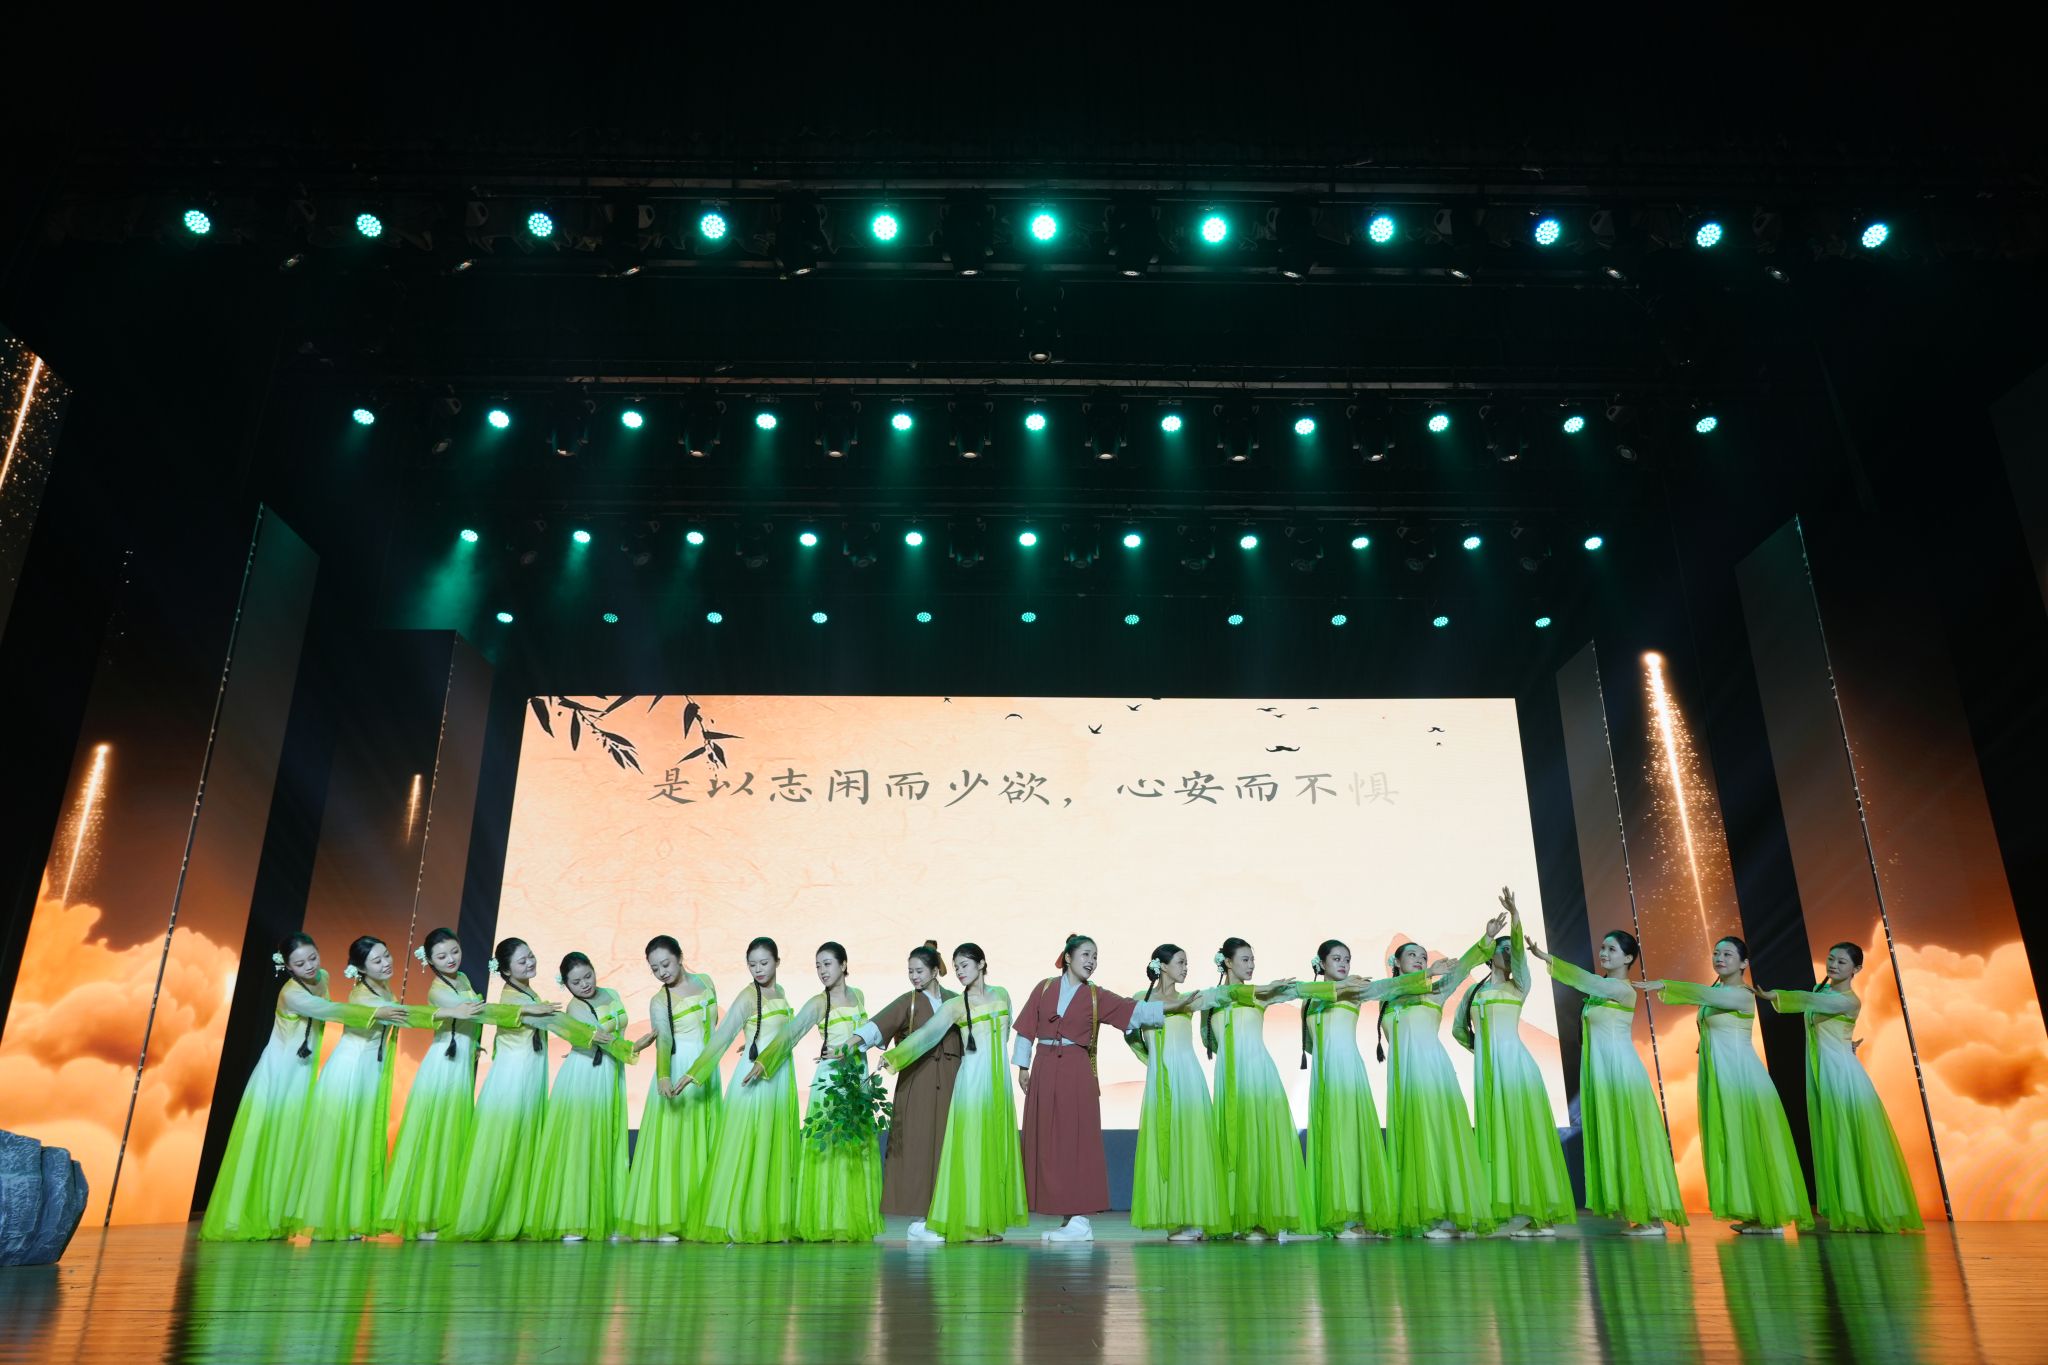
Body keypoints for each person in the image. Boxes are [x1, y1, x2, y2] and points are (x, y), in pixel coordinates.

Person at [199, 934, 398, 1241]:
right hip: (281, 1073)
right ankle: (251, 1216)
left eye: (313, 958)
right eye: (300, 963)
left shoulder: (322, 977)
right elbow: (328, 1010)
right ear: (288, 967)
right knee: (269, 1142)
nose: (309, 967)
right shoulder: (291, 994)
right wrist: (374, 1013)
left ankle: (280, 1217)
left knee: (294, 1144)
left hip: (305, 1072)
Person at [1639, 935, 1813, 1234]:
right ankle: (1757, 1213)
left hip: (1741, 1079)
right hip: (1720, 1076)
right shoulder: (1718, 991)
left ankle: (1772, 1217)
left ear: (1744, 963)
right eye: (1717, 953)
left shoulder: (1742, 994)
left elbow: (1703, 996)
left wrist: (1665, 985)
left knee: (1751, 1141)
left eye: (1728, 954)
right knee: (1735, 1143)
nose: (1719, 958)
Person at [286, 935, 450, 1240]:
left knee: (358, 1146)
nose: (386, 963)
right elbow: (407, 1017)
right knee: (340, 1145)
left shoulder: (383, 988)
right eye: (377, 961)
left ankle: (348, 1219)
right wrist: (448, 1013)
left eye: (386, 955)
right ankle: (325, 1223)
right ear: (360, 968)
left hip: (368, 1073)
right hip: (349, 1073)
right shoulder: (363, 996)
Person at [1527, 929, 1687, 1236]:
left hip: (1620, 1073)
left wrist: (1547, 958)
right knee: (1619, 1138)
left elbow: (1588, 981)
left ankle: (1653, 1217)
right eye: (1603, 947)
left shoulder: (1621, 990)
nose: (1604, 953)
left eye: (1612, 949)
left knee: (1634, 1138)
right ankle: (1639, 1212)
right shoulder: (1600, 992)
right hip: (1602, 1074)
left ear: (1628, 958)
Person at [1012, 933, 1168, 1241]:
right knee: (1048, 1141)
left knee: (1077, 1140)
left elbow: (1132, 1010)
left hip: (1076, 1071)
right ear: (1068, 957)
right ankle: (1067, 1215)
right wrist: (1023, 1066)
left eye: (1095, 957)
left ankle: (1080, 1217)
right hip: (1044, 1068)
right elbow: (1026, 1029)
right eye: (1086, 955)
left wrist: (1175, 1006)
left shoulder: (1096, 995)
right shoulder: (1044, 988)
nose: (1092, 961)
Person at [1761, 942, 1924, 1233]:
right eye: (1831, 959)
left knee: (1851, 1139)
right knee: (1836, 1140)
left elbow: (1808, 1002)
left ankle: (1870, 1210)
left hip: (1842, 1077)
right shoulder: (1821, 991)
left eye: (1842, 962)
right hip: (1824, 1073)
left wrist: (1775, 996)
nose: (1833, 965)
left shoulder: (1849, 1001)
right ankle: (1850, 1209)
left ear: (1856, 969)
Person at [1450, 890, 1576, 1236]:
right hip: (1488, 1072)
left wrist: (1516, 917)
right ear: (1490, 957)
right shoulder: (1473, 992)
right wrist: (1482, 1054)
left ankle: (1539, 1212)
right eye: (1502, 950)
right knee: (1496, 1135)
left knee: (1523, 1132)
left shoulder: (1519, 986)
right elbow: (1459, 1030)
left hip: (1517, 1068)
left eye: (1511, 950)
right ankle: (1506, 1207)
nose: (1508, 954)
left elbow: (1521, 957)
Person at [881, 943, 1026, 1243]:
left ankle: (989, 1221)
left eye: (964, 965)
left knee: (994, 1149)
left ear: (981, 964)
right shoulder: (956, 1006)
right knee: (972, 1151)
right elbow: (926, 1035)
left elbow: (1005, 1033)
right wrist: (895, 1057)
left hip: (999, 1084)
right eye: (956, 967)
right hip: (972, 1084)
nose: (959, 971)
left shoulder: (1002, 995)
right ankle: (970, 1223)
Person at [1295, 938, 1429, 1239]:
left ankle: (1359, 1215)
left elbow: (1388, 987)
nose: (1343, 964)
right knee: (1330, 1140)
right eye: (1337, 959)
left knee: (1352, 1139)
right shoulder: (1309, 999)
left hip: (1347, 1072)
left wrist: (1427, 973)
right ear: (1322, 963)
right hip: (1323, 1076)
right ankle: (1337, 1215)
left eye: (1347, 959)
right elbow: (1310, 1043)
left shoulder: (1355, 988)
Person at [1379, 917, 1502, 1238]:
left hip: (1431, 1074)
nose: (1421, 960)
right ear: (1396, 963)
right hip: (1402, 1080)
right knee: (1412, 1141)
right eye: (1412, 956)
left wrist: (1485, 940)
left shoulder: (1435, 992)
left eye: (1424, 957)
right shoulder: (1387, 996)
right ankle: (1422, 1213)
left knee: (1437, 1137)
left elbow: (1462, 968)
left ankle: (1449, 1213)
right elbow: (1390, 987)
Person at [757, 942, 883, 1242]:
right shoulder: (818, 1003)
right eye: (818, 966)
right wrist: (763, 1057)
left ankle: (850, 1219)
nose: (822, 971)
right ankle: (826, 1221)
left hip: (857, 1079)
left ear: (843, 964)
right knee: (828, 1147)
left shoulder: (858, 995)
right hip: (831, 1081)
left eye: (827, 964)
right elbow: (791, 1033)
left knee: (855, 1147)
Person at [679, 937, 801, 1243]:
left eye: (764, 963)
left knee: (772, 1146)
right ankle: (734, 1220)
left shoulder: (781, 993)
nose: (758, 969)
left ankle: (768, 1220)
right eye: (752, 964)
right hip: (753, 1080)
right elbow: (722, 1036)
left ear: (777, 962)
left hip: (779, 1076)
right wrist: (695, 1071)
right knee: (746, 1146)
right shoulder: (747, 996)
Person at [445, 937, 563, 1240]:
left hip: (529, 1073)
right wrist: (532, 1011)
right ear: (507, 970)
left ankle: (517, 1213)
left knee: (522, 1140)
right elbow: (500, 1012)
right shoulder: (511, 997)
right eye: (522, 961)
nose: (530, 962)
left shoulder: (527, 991)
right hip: (513, 1076)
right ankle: (487, 1215)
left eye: (531, 956)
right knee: (504, 1140)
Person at [378, 927, 489, 1240]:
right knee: (436, 1137)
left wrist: (473, 1043)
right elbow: (472, 1012)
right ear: (430, 961)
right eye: (441, 956)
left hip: (460, 1064)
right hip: (443, 1066)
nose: (451, 959)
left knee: (452, 1137)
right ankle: (424, 1217)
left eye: (454, 951)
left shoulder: (462, 979)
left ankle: (441, 1213)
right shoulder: (438, 990)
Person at [1198, 937, 1308, 1239]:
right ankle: (1233, 1216)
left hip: (1259, 1076)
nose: (1251, 965)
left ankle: (1260, 1218)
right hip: (1230, 1078)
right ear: (1227, 962)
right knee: (1233, 1142)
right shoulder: (1213, 999)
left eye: (1252, 959)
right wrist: (1231, 1058)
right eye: (1245, 959)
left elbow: (1299, 990)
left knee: (1259, 1141)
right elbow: (1208, 1038)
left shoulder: (1261, 995)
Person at [851, 941, 961, 1237]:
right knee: (917, 1146)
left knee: (948, 1145)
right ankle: (919, 1220)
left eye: (919, 971)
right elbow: (877, 1026)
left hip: (952, 1078)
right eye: (910, 971)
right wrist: (849, 1044)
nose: (914, 976)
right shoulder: (908, 1002)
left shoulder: (955, 1000)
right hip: (917, 1079)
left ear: (935, 971)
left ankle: (946, 1214)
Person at [619, 935, 722, 1242]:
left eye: (665, 964)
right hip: (678, 1069)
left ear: (679, 957)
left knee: (705, 1140)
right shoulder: (658, 1001)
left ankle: (704, 1216)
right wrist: (663, 1076)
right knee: (676, 1144)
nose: (662, 972)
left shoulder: (706, 981)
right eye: (655, 969)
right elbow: (663, 1040)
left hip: (706, 1068)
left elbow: (714, 1026)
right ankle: (668, 1219)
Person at [526, 951, 635, 1241]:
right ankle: (573, 1219)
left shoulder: (611, 993)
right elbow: (605, 1040)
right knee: (582, 1142)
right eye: (576, 982)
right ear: (566, 985)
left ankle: (610, 1217)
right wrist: (634, 1049)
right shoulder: (575, 1008)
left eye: (588, 976)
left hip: (610, 1072)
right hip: (586, 1075)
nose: (585, 984)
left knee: (608, 1140)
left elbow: (618, 1034)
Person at [1125, 944, 1229, 1241]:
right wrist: (1152, 1060)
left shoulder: (1190, 998)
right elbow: (1130, 1033)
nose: (1185, 968)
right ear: (1163, 966)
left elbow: (1224, 994)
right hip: (1162, 1078)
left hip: (1189, 1076)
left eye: (1186, 963)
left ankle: (1195, 1215)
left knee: (1193, 1142)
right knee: (1167, 1142)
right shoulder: (1142, 999)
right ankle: (1173, 1220)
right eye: (1181, 962)